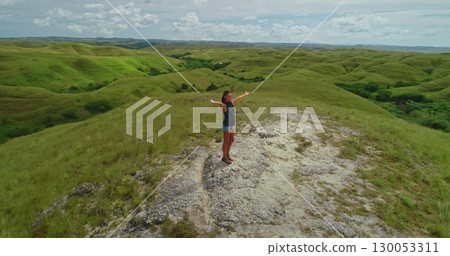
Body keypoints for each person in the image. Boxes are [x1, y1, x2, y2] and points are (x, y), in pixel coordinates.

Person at [209, 90, 251, 164]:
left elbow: (238, 97)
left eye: (231, 96)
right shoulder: (224, 105)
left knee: (231, 139)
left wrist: (245, 94)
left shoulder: (231, 102)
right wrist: (213, 102)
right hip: (227, 126)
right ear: (225, 97)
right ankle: (224, 157)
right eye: (229, 96)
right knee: (226, 141)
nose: (230, 97)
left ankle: (227, 154)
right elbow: (220, 103)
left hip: (232, 124)